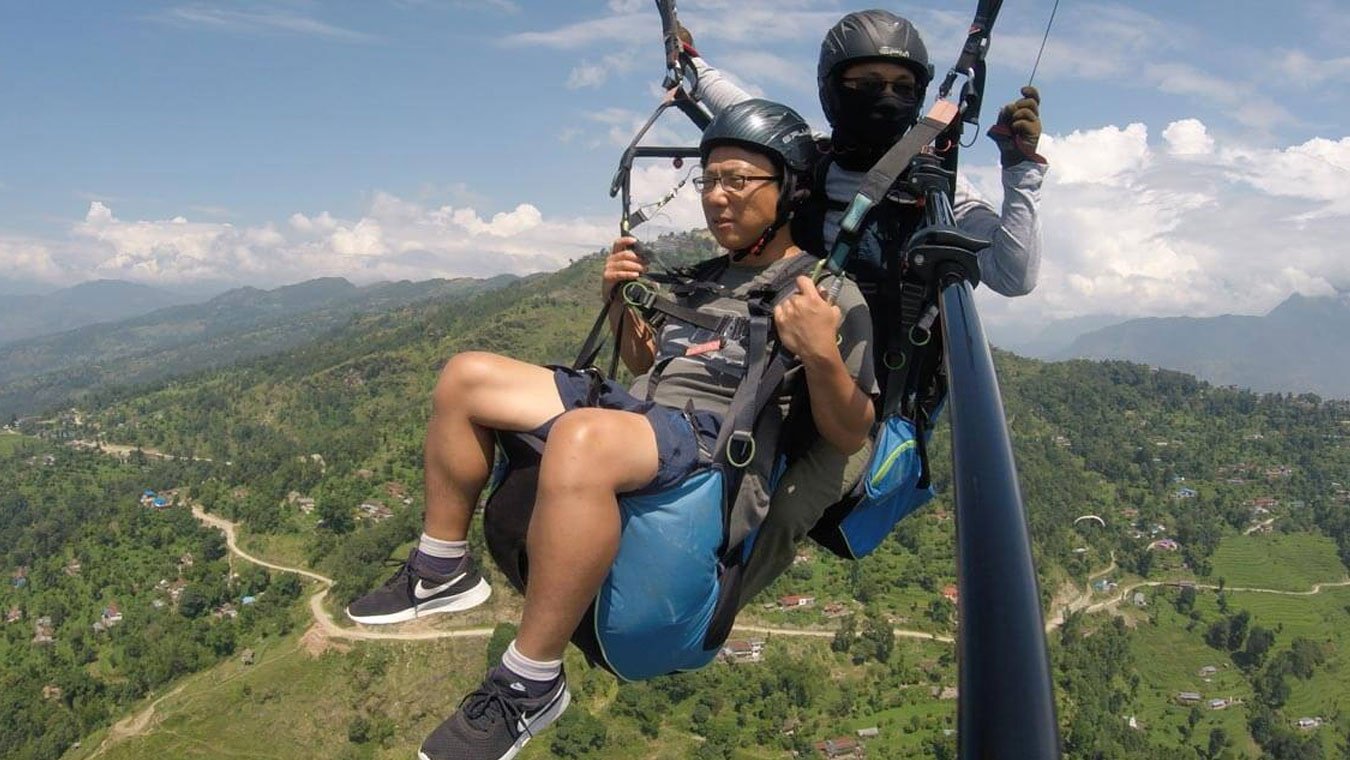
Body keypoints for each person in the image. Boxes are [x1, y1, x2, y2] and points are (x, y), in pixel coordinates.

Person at [346, 98, 877, 760]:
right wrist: (619, 304)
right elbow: (648, 366)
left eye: (738, 180)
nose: (717, 197)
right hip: (649, 416)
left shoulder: (827, 293)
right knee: (466, 378)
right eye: (709, 180)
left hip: (717, 444)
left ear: (789, 190)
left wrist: (822, 354)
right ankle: (440, 569)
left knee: (582, 439)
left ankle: (530, 682)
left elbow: (852, 430)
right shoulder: (702, 279)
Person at [676, 9, 1048, 606]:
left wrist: (1022, 170)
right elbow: (735, 101)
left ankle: (706, 612)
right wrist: (691, 63)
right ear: (833, 91)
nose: (885, 99)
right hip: (780, 369)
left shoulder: (938, 191)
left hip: (867, 403)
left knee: (783, 508)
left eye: (903, 88)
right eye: (865, 85)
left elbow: (1013, 273)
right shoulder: (808, 163)